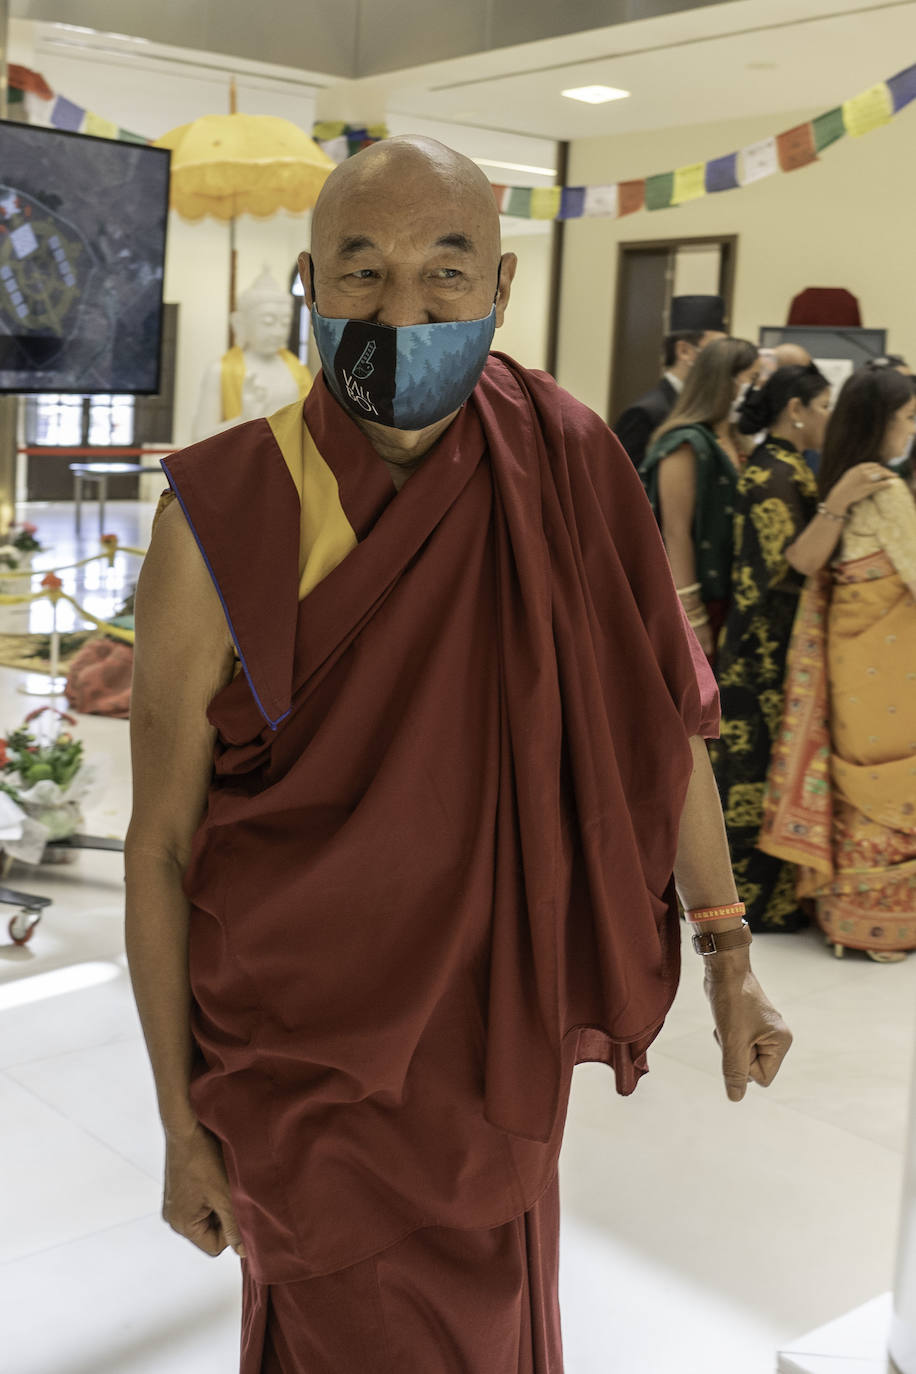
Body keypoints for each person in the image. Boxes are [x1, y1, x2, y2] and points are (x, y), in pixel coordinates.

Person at [125, 136, 791, 1374]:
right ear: (310, 288)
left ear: (500, 287)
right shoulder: (220, 515)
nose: (402, 306)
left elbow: (662, 726)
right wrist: (178, 1123)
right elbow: (159, 844)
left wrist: (727, 956)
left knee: (491, 1336)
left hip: (495, 1042)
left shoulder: (568, 459)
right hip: (298, 1062)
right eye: (363, 270)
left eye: (444, 269)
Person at [712, 365, 893, 931]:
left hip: (781, 644)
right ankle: (750, 906)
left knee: (774, 770)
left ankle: (778, 898)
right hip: (761, 650)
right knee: (753, 774)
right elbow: (798, 560)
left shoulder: (789, 466)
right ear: (796, 409)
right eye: (822, 406)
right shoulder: (771, 473)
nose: (828, 418)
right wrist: (839, 502)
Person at [760, 366, 916, 960]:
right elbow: (806, 561)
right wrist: (842, 500)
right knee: (889, 776)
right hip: (885, 662)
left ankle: (853, 915)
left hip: (857, 661)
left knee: (861, 775)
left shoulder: (845, 479)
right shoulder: (884, 488)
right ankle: (884, 920)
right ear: (880, 422)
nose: (911, 430)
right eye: (906, 418)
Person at [640, 336, 759, 662]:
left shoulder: (739, 440)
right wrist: (693, 614)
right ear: (726, 380)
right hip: (702, 597)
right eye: (752, 378)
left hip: (736, 595)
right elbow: (675, 533)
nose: (758, 389)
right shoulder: (685, 444)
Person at [191, 268, 313, 441]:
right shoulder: (220, 370)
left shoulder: (298, 370)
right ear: (240, 322)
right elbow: (199, 440)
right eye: (268, 322)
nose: (278, 331)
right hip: (243, 462)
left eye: (284, 323)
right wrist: (244, 419)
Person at [613, 294, 726, 469]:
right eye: (715, 350)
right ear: (684, 351)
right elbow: (622, 481)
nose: (722, 359)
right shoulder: (645, 413)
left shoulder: (704, 407)